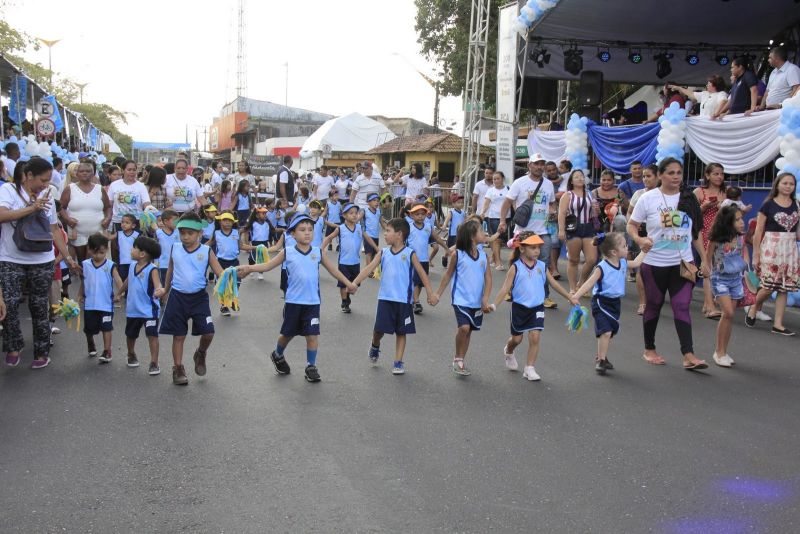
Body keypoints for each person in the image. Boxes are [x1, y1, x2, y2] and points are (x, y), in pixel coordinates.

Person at [238, 214, 358, 383]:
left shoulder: (317, 252)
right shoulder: (288, 252)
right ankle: (278, 354)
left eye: (310, 229)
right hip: (294, 302)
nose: (307, 233)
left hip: (312, 302)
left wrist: (348, 283)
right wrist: (249, 268)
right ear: (292, 234)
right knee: (287, 334)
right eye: (302, 230)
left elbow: (334, 270)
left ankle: (311, 366)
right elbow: (267, 266)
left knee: (312, 335)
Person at [627, 157, 708, 369]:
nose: (675, 177)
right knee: (653, 305)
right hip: (654, 263)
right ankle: (649, 348)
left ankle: (688, 355)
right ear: (661, 175)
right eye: (671, 173)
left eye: (678, 173)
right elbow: (632, 225)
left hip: (683, 263)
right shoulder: (648, 198)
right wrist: (639, 239)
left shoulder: (689, 199)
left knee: (681, 306)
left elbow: (696, 232)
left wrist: (705, 260)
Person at [0, 158, 78, 369]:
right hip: (10, 257)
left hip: (42, 259)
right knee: (10, 303)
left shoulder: (48, 195)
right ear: (28, 175)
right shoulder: (8, 190)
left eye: (48, 180)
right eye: (43, 180)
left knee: (39, 305)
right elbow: (2, 215)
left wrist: (68, 258)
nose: (46, 184)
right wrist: (32, 208)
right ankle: (14, 346)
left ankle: (41, 352)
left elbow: (53, 229)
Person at [355, 217, 439, 375]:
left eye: (388, 231)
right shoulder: (383, 253)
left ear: (399, 234)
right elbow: (369, 269)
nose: (385, 234)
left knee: (402, 332)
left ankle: (398, 362)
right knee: (379, 330)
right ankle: (375, 345)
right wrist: (354, 283)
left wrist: (430, 293)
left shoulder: (410, 254)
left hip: (404, 301)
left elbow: (422, 273)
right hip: (385, 299)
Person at [490, 233, 572, 381]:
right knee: (517, 339)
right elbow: (504, 289)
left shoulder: (541, 266)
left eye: (538, 248)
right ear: (522, 249)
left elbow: (553, 283)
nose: (537, 251)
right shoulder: (516, 268)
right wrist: (494, 305)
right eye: (533, 248)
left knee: (535, 336)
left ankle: (529, 368)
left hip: (537, 308)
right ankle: (508, 351)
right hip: (519, 308)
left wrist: (570, 297)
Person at [159, 211, 224, 386]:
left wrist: (232, 277)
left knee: (209, 332)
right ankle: (178, 368)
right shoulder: (175, 248)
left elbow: (220, 273)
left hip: (199, 299)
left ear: (200, 234)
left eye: (190, 233)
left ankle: (201, 352)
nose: (185, 237)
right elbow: (170, 270)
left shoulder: (206, 250)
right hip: (177, 297)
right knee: (179, 335)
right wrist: (165, 290)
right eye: (182, 233)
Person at [570, 232, 646, 374]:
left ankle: (601, 356)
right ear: (614, 252)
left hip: (615, 303)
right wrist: (576, 295)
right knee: (606, 331)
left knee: (610, 333)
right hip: (601, 302)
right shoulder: (602, 267)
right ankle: (601, 360)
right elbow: (590, 282)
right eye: (624, 246)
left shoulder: (622, 263)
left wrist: (645, 250)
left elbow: (636, 263)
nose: (627, 248)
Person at [498, 153, 559, 309]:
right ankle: (511, 290)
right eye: (536, 164)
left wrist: (553, 212)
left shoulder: (548, 184)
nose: (539, 167)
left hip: (543, 231)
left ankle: (544, 296)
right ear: (529, 165)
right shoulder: (520, 183)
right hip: (524, 231)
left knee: (543, 264)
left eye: (541, 164)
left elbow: (552, 204)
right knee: (519, 262)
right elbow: (506, 203)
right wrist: (503, 221)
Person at [434, 219, 492, 376]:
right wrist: (438, 294)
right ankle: (457, 357)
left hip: (476, 301)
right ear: (472, 236)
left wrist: (485, 298)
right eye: (481, 231)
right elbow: (447, 276)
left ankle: (460, 360)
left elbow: (488, 279)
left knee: (469, 331)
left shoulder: (484, 257)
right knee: (464, 328)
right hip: (460, 299)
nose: (484, 233)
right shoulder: (457, 255)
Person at [746, 172, 799, 336]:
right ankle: (754, 306)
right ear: (777, 184)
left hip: (789, 248)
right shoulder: (768, 205)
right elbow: (758, 231)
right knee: (769, 285)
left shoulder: (796, 204)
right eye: (785, 183)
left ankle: (778, 324)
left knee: (784, 287)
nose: (788, 186)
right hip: (771, 246)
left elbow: (797, 233)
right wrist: (756, 255)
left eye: (791, 183)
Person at [705, 205, 748, 367]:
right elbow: (707, 258)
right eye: (737, 219)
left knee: (729, 316)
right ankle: (719, 351)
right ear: (727, 222)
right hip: (720, 278)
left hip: (736, 278)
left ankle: (723, 351)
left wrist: (747, 270)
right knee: (728, 312)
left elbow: (743, 254)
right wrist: (707, 276)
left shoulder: (740, 237)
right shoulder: (716, 239)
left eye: (741, 218)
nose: (741, 222)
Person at [118, 236, 164, 374]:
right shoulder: (132, 266)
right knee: (131, 334)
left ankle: (154, 362)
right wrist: (119, 293)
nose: (131, 250)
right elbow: (128, 281)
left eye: (134, 248)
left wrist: (159, 291)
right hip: (133, 309)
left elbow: (158, 285)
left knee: (152, 335)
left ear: (142, 254)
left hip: (149, 310)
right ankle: (131, 354)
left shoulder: (152, 269)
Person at [80, 233, 124, 363]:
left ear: (106, 250)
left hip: (106, 304)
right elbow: (84, 281)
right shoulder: (85, 264)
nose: (97, 256)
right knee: (89, 329)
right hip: (90, 304)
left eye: (101, 253)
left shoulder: (110, 265)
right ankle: (91, 342)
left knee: (107, 327)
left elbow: (118, 280)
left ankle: (107, 351)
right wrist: (79, 295)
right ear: (89, 250)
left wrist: (119, 293)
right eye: (94, 253)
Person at [323, 203, 372, 313]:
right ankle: (344, 302)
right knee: (343, 284)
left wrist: (377, 249)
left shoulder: (359, 228)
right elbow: (329, 237)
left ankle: (347, 296)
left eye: (356, 213)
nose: (354, 215)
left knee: (353, 284)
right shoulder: (340, 229)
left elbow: (367, 238)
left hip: (356, 262)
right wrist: (320, 249)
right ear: (344, 215)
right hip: (344, 262)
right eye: (351, 213)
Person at [60, 161, 111, 262]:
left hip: (97, 232)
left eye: (88, 171)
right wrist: (67, 219)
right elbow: (61, 208)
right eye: (81, 171)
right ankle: (82, 278)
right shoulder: (70, 188)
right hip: (78, 232)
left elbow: (107, 207)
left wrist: (107, 218)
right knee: (82, 261)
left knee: (97, 260)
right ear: (77, 173)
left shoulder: (100, 189)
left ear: (93, 173)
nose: (84, 173)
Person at [557, 169, 598, 294]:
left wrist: (596, 210)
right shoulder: (568, 195)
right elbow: (562, 213)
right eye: (577, 177)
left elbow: (595, 214)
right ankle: (572, 288)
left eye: (582, 176)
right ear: (571, 181)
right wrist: (561, 230)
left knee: (592, 259)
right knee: (573, 260)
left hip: (588, 227)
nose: (580, 178)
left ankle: (581, 283)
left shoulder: (590, 194)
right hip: (573, 228)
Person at [626, 163, 659, 315]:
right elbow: (630, 214)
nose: (645, 179)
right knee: (642, 268)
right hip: (643, 232)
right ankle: (643, 303)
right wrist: (634, 228)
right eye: (644, 176)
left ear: (658, 177)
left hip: (661, 235)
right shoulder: (639, 194)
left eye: (649, 176)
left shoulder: (665, 195)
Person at [694, 163, 726, 318]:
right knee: (708, 268)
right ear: (707, 175)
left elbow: (735, 214)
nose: (719, 177)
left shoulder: (725, 192)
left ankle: (709, 304)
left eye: (721, 174)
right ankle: (710, 306)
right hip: (705, 233)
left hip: (723, 235)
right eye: (715, 174)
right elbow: (691, 215)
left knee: (720, 270)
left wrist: (724, 209)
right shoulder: (699, 191)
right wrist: (704, 207)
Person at [406, 202, 449, 314]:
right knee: (415, 281)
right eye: (417, 214)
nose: (420, 216)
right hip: (412, 259)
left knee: (420, 283)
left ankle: (414, 300)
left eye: (422, 214)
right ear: (411, 215)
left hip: (424, 260)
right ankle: (416, 302)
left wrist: (446, 248)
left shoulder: (428, 227)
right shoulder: (408, 227)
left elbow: (438, 239)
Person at [206, 212, 241, 316]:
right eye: (225, 220)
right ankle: (224, 306)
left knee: (236, 282)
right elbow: (209, 243)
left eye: (230, 220)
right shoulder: (216, 233)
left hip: (235, 261)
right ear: (220, 221)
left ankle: (232, 300)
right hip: (221, 262)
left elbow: (241, 246)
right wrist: (197, 248)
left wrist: (255, 248)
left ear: (233, 222)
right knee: (223, 284)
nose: (227, 223)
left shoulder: (236, 232)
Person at [480, 171, 510, 269]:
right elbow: (486, 203)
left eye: (498, 178)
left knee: (499, 241)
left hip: (506, 218)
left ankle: (493, 258)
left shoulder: (508, 189)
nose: (496, 181)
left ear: (502, 179)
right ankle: (498, 262)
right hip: (493, 218)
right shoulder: (490, 190)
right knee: (496, 240)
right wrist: (483, 212)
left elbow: (512, 202)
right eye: (494, 179)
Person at [758, 46, 800, 110]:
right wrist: (761, 107)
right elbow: (767, 91)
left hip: (782, 110)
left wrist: (782, 105)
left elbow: (796, 90)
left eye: (770, 58)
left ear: (777, 58)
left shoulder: (792, 69)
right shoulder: (773, 72)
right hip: (769, 109)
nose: (768, 60)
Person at [102, 213, 139, 283]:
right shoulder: (119, 233)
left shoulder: (137, 234)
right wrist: (105, 228)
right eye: (122, 222)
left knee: (133, 280)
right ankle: (124, 293)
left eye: (127, 223)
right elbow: (109, 237)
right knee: (123, 279)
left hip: (134, 262)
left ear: (133, 225)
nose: (124, 224)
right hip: (122, 262)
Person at [242, 207, 274, 278]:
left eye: (265, 213)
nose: (265, 215)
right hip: (255, 243)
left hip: (264, 243)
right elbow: (246, 232)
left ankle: (260, 273)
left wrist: (282, 230)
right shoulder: (253, 224)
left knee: (262, 259)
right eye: (263, 213)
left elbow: (274, 230)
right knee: (252, 258)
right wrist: (247, 243)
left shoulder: (267, 223)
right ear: (257, 215)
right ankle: (251, 268)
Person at [155, 209, 180, 285]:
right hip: (163, 266)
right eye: (175, 220)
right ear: (165, 221)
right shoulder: (158, 233)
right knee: (164, 286)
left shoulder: (178, 232)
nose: (177, 222)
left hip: (177, 265)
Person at [440, 194, 466, 268]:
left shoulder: (463, 212)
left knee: (457, 249)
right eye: (458, 202)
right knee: (449, 249)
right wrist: (444, 225)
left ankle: (455, 263)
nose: (461, 204)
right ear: (453, 204)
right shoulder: (451, 212)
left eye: (462, 202)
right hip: (453, 234)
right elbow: (447, 220)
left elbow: (465, 220)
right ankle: (445, 257)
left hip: (460, 234)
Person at [362, 193, 383, 265]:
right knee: (369, 253)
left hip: (376, 236)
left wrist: (388, 229)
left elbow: (382, 222)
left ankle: (371, 268)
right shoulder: (365, 211)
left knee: (374, 253)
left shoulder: (379, 211)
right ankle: (369, 270)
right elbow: (358, 219)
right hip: (368, 236)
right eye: (374, 200)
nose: (377, 202)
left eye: (377, 201)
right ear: (368, 202)